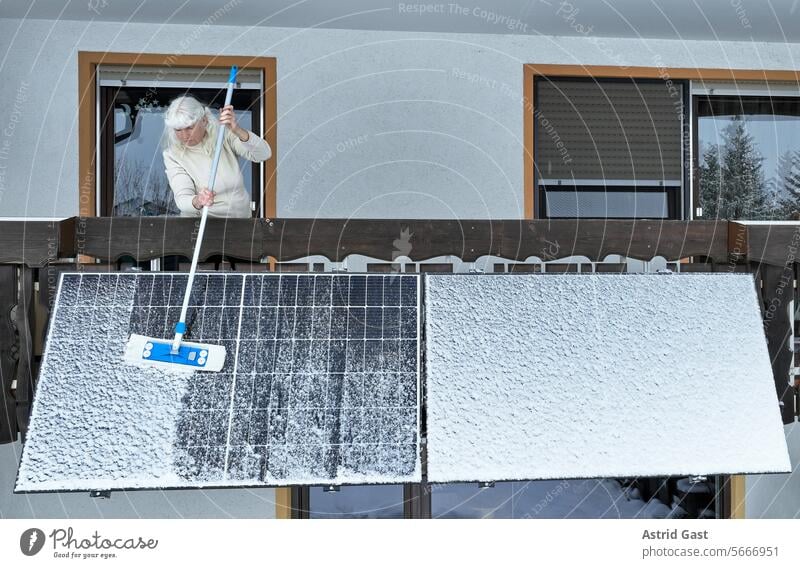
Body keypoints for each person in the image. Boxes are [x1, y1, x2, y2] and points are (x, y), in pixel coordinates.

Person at [162, 95, 271, 217]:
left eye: (189, 128)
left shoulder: (223, 135)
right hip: (202, 224)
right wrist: (198, 200)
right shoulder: (172, 155)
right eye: (178, 130)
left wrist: (238, 131)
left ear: (204, 120)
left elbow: (263, 154)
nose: (184, 135)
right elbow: (182, 198)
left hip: (241, 220)